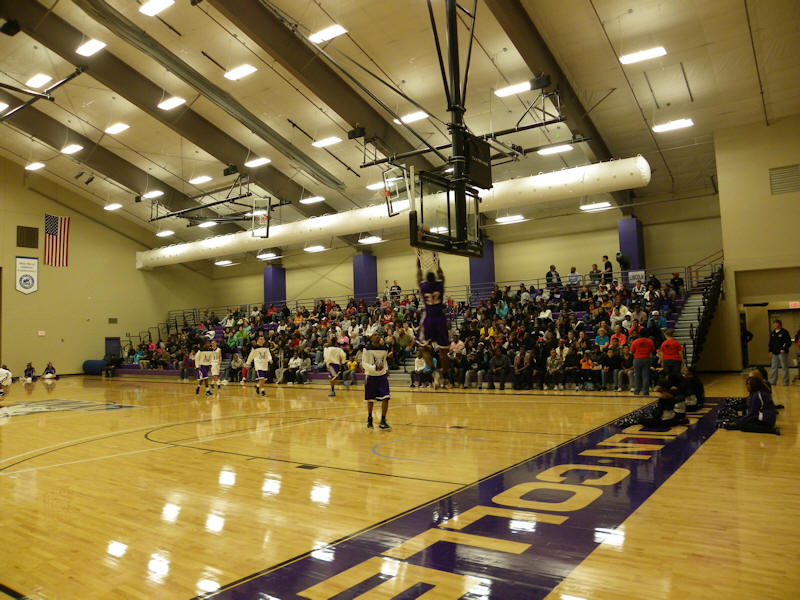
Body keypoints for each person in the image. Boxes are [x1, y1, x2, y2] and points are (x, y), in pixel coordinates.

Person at [416, 255, 450, 387]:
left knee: (423, 348)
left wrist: (419, 264)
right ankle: (444, 375)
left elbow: (419, 276)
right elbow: (442, 274)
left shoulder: (423, 286)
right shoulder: (440, 284)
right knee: (444, 351)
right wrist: (438, 263)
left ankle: (434, 372)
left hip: (429, 319)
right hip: (440, 318)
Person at [362, 333, 391, 429]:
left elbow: (384, 361)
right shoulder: (367, 349)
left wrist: (386, 369)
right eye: (375, 335)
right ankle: (370, 418)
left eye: (378, 335)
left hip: (382, 376)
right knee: (370, 399)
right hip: (371, 376)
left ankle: (383, 420)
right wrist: (374, 368)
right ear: (371, 338)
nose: (377, 336)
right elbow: (364, 363)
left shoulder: (385, 348)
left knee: (386, 397)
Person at [768, 319, 791, 386]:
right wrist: (770, 351)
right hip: (774, 353)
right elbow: (771, 343)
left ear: (779, 324)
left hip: (782, 353)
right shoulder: (773, 333)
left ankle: (785, 382)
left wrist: (784, 349)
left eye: (776, 323)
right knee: (774, 367)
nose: (774, 325)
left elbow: (788, 342)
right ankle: (773, 381)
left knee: (784, 367)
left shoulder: (784, 332)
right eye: (774, 323)